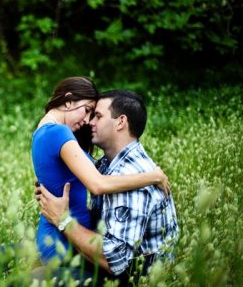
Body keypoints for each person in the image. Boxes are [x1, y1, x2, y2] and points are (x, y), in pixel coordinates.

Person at [35, 90, 178, 286]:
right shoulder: (106, 165)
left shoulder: (131, 180)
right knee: (16, 256)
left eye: (97, 116)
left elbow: (114, 262)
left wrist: (63, 220)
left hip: (134, 277)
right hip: (103, 258)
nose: (89, 122)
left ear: (120, 122)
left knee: (36, 279)